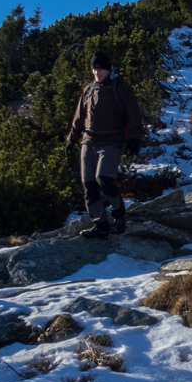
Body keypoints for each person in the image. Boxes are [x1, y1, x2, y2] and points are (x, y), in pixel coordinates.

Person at [65, 51, 142, 240]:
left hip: (111, 141)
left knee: (104, 178)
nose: (97, 73)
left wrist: (135, 138)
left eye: (100, 69)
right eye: (94, 69)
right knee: (88, 185)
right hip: (88, 141)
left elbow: (134, 115)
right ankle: (100, 225)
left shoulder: (122, 88)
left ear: (109, 69)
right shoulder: (88, 90)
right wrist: (71, 139)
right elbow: (78, 118)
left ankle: (118, 213)